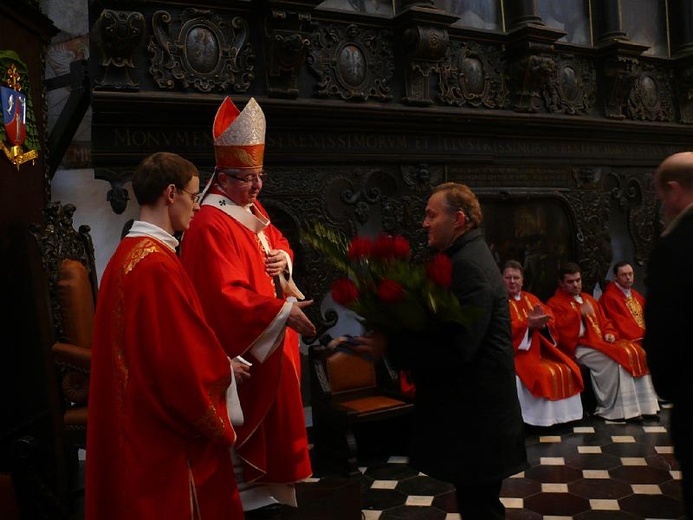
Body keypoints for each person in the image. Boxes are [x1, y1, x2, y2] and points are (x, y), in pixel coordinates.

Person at [355, 182, 528, 520]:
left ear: (459, 219)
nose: (424, 223)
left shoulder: (468, 266)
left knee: (481, 509)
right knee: (478, 505)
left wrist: (392, 345)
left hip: (477, 421)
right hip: (473, 419)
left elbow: (457, 347)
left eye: (431, 215)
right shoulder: (462, 257)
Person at [85, 152, 243, 519]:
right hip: (158, 435)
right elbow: (178, 366)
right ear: (171, 193)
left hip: (132, 415)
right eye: (192, 195)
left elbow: (165, 345)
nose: (198, 208)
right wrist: (224, 369)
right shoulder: (156, 265)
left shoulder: (127, 253)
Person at [180, 97, 315, 518]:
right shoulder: (208, 223)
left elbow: (276, 241)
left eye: (260, 176)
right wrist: (280, 313)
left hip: (272, 344)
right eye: (246, 179)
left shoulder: (250, 207)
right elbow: (222, 295)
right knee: (246, 460)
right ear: (222, 176)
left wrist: (283, 261)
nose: (257, 187)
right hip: (245, 349)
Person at [644, 151, 693, 519]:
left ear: (674, 190)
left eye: (662, 198)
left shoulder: (675, 247)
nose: (663, 206)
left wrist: (669, 389)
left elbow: (666, 331)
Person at [547, 262, 659, 422]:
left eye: (578, 280)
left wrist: (610, 333)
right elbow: (559, 331)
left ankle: (646, 406)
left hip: (599, 343)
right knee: (616, 361)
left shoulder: (588, 299)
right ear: (561, 283)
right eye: (570, 282)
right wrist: (578, 314)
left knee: (635, 352)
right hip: (578, 348)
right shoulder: (555, 303)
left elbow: (605, 322)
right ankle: (617, 410)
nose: (576, 285)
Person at [502, 260, 584, 427]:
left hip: (540, 350)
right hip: (516, 353)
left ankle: (565, 417)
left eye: (516, 278)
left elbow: (550, 319)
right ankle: (538, 420)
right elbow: (501, 329)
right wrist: (528, 326)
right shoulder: (499, 301)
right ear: (501, 279)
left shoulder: (531, 298)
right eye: (508, 277)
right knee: (542, 374)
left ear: (522, 280)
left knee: (568, 368)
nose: (512, 281)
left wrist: (544, 324)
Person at [599, 261, 646, 344]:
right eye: (624, 275)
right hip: (629, 339)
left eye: (630, 274)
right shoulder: (609, 297)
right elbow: (619, 323)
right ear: (615, 277)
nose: (628, 277)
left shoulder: (635, 294)